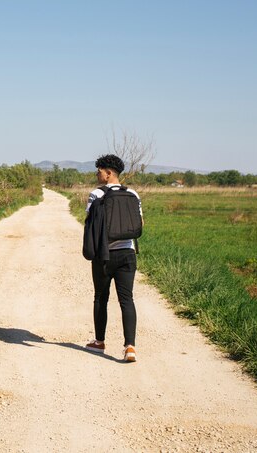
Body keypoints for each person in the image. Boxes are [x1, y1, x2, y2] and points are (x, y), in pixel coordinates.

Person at [84, 154, 142, 362]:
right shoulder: (133, 194)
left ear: (108, 173)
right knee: (127, 299)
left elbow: (90, 224)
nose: (97, 173)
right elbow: (140, 224)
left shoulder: (96, 194)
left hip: (104, 255)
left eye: (99, 170)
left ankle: (99, 342)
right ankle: (130, 347)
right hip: (128, 253)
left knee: (101, 297)